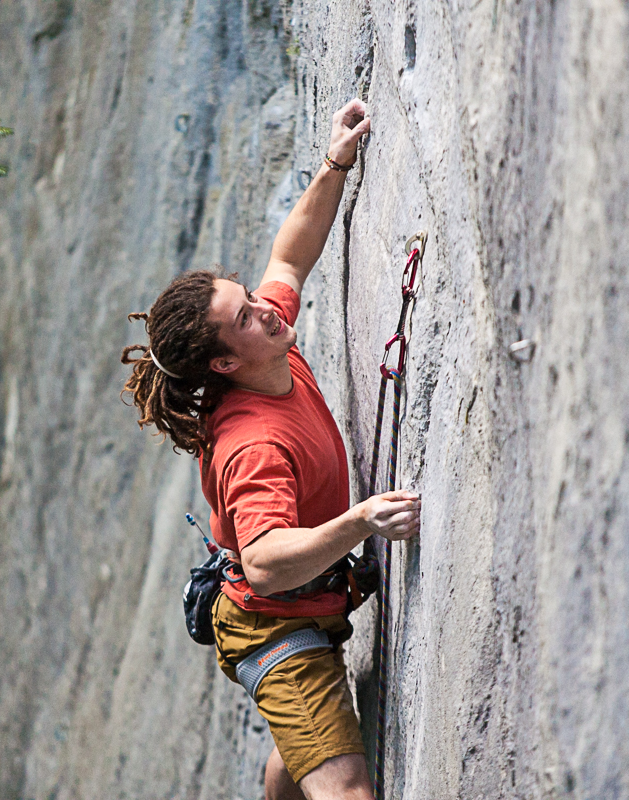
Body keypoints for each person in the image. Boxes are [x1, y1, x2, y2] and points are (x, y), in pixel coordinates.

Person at [121, 98, 420, 800]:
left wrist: (336, 160)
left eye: (249, 295)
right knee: (346, 790)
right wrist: (359, 522)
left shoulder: (265, 342)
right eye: (245, 316)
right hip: (274, 632)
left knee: (301, 748)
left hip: (305, 606)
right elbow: (261, 563)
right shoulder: (252, 443)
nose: (265, 306)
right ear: (225, 363)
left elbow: (290, 251)